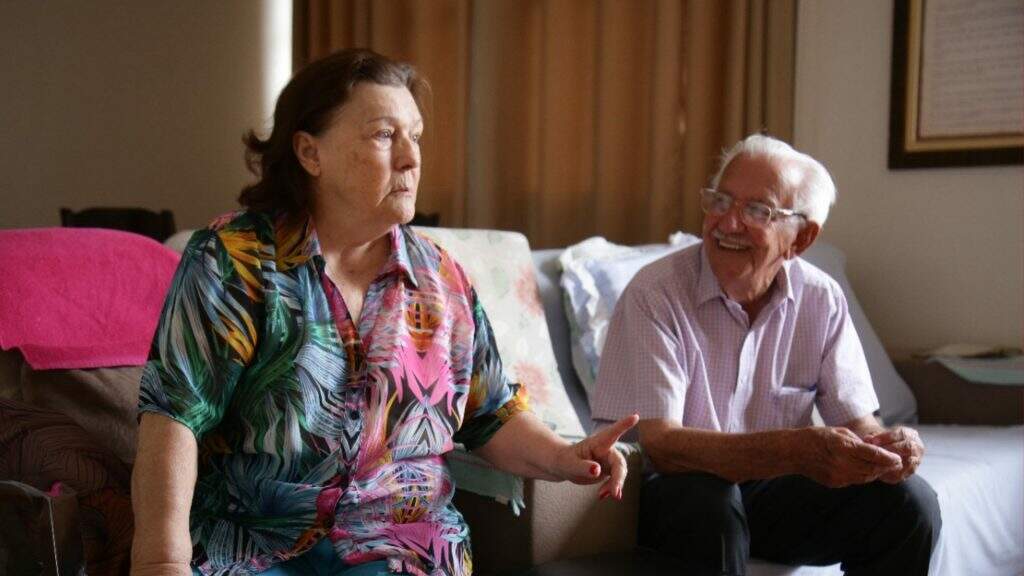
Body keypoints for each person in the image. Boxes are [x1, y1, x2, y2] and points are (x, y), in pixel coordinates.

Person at [131, 48, 638, 576]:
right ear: (310, 152)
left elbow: (491, 416)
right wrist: (161, 562)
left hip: (401, 548)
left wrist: (567, 456)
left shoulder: (441, 280)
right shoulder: (234, 259)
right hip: (252, 545)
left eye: (415, 136)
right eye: (383, 134)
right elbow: (174, 415)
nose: (411, 157)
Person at [591, 135, 941, 576]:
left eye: (757, 211)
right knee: (709, 506)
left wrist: (886, 449)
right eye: (720, 201)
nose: (728, 223)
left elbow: (858, 423)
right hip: (662, 490)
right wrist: (794, 450)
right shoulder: (655, 293)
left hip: (765, 490)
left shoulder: (822, 300)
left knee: (910, 504)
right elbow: (661, 445)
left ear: (802, 238)